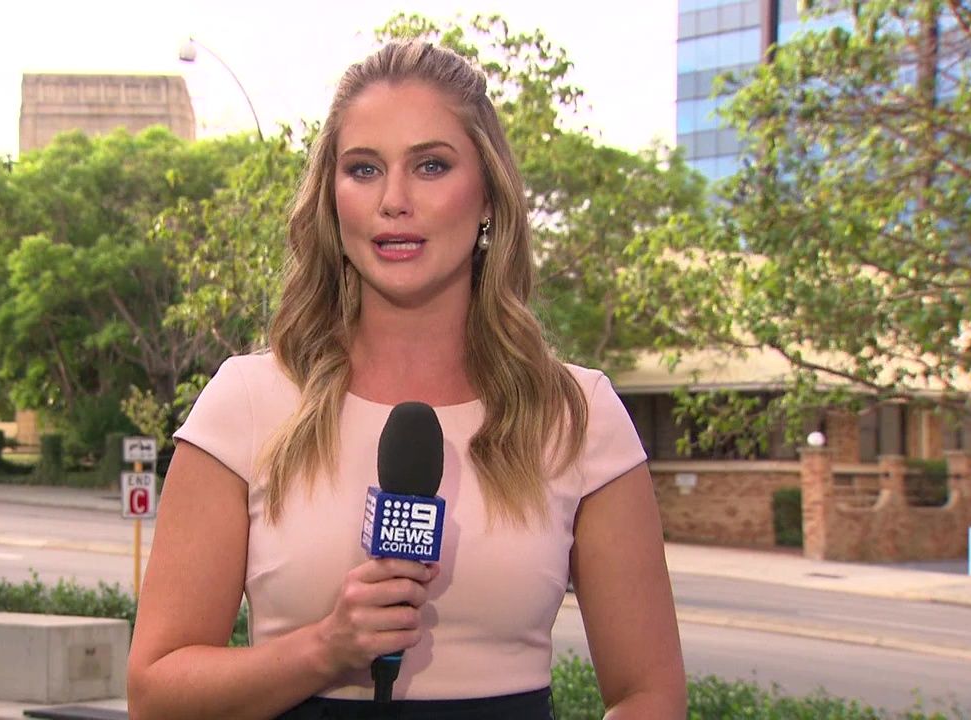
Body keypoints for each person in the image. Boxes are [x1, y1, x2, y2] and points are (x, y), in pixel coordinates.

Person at [127, 39, 686, 719]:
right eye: (364, 169)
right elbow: (155, 695)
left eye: (431, 165)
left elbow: (650, 695)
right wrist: (324, 649)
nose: (394, 200)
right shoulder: (246, 402)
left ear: (488, 196)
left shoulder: (578, 415)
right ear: (332, 199)